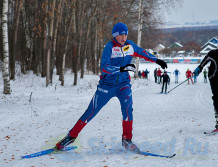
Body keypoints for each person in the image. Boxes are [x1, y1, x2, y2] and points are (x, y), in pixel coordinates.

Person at [55, 23, 168, 152]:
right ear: (115, 35)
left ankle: (127, 140)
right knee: (90, 112)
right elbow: (104, 67)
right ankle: (71, 137)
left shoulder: (130, 46)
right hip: (106, 86)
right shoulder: (109, 48)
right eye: (121, 35)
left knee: (127, 110)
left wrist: (157, 60)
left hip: (123, 85)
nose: (124, 37)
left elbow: (142, 52)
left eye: (125, 34)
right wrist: (122, 68)